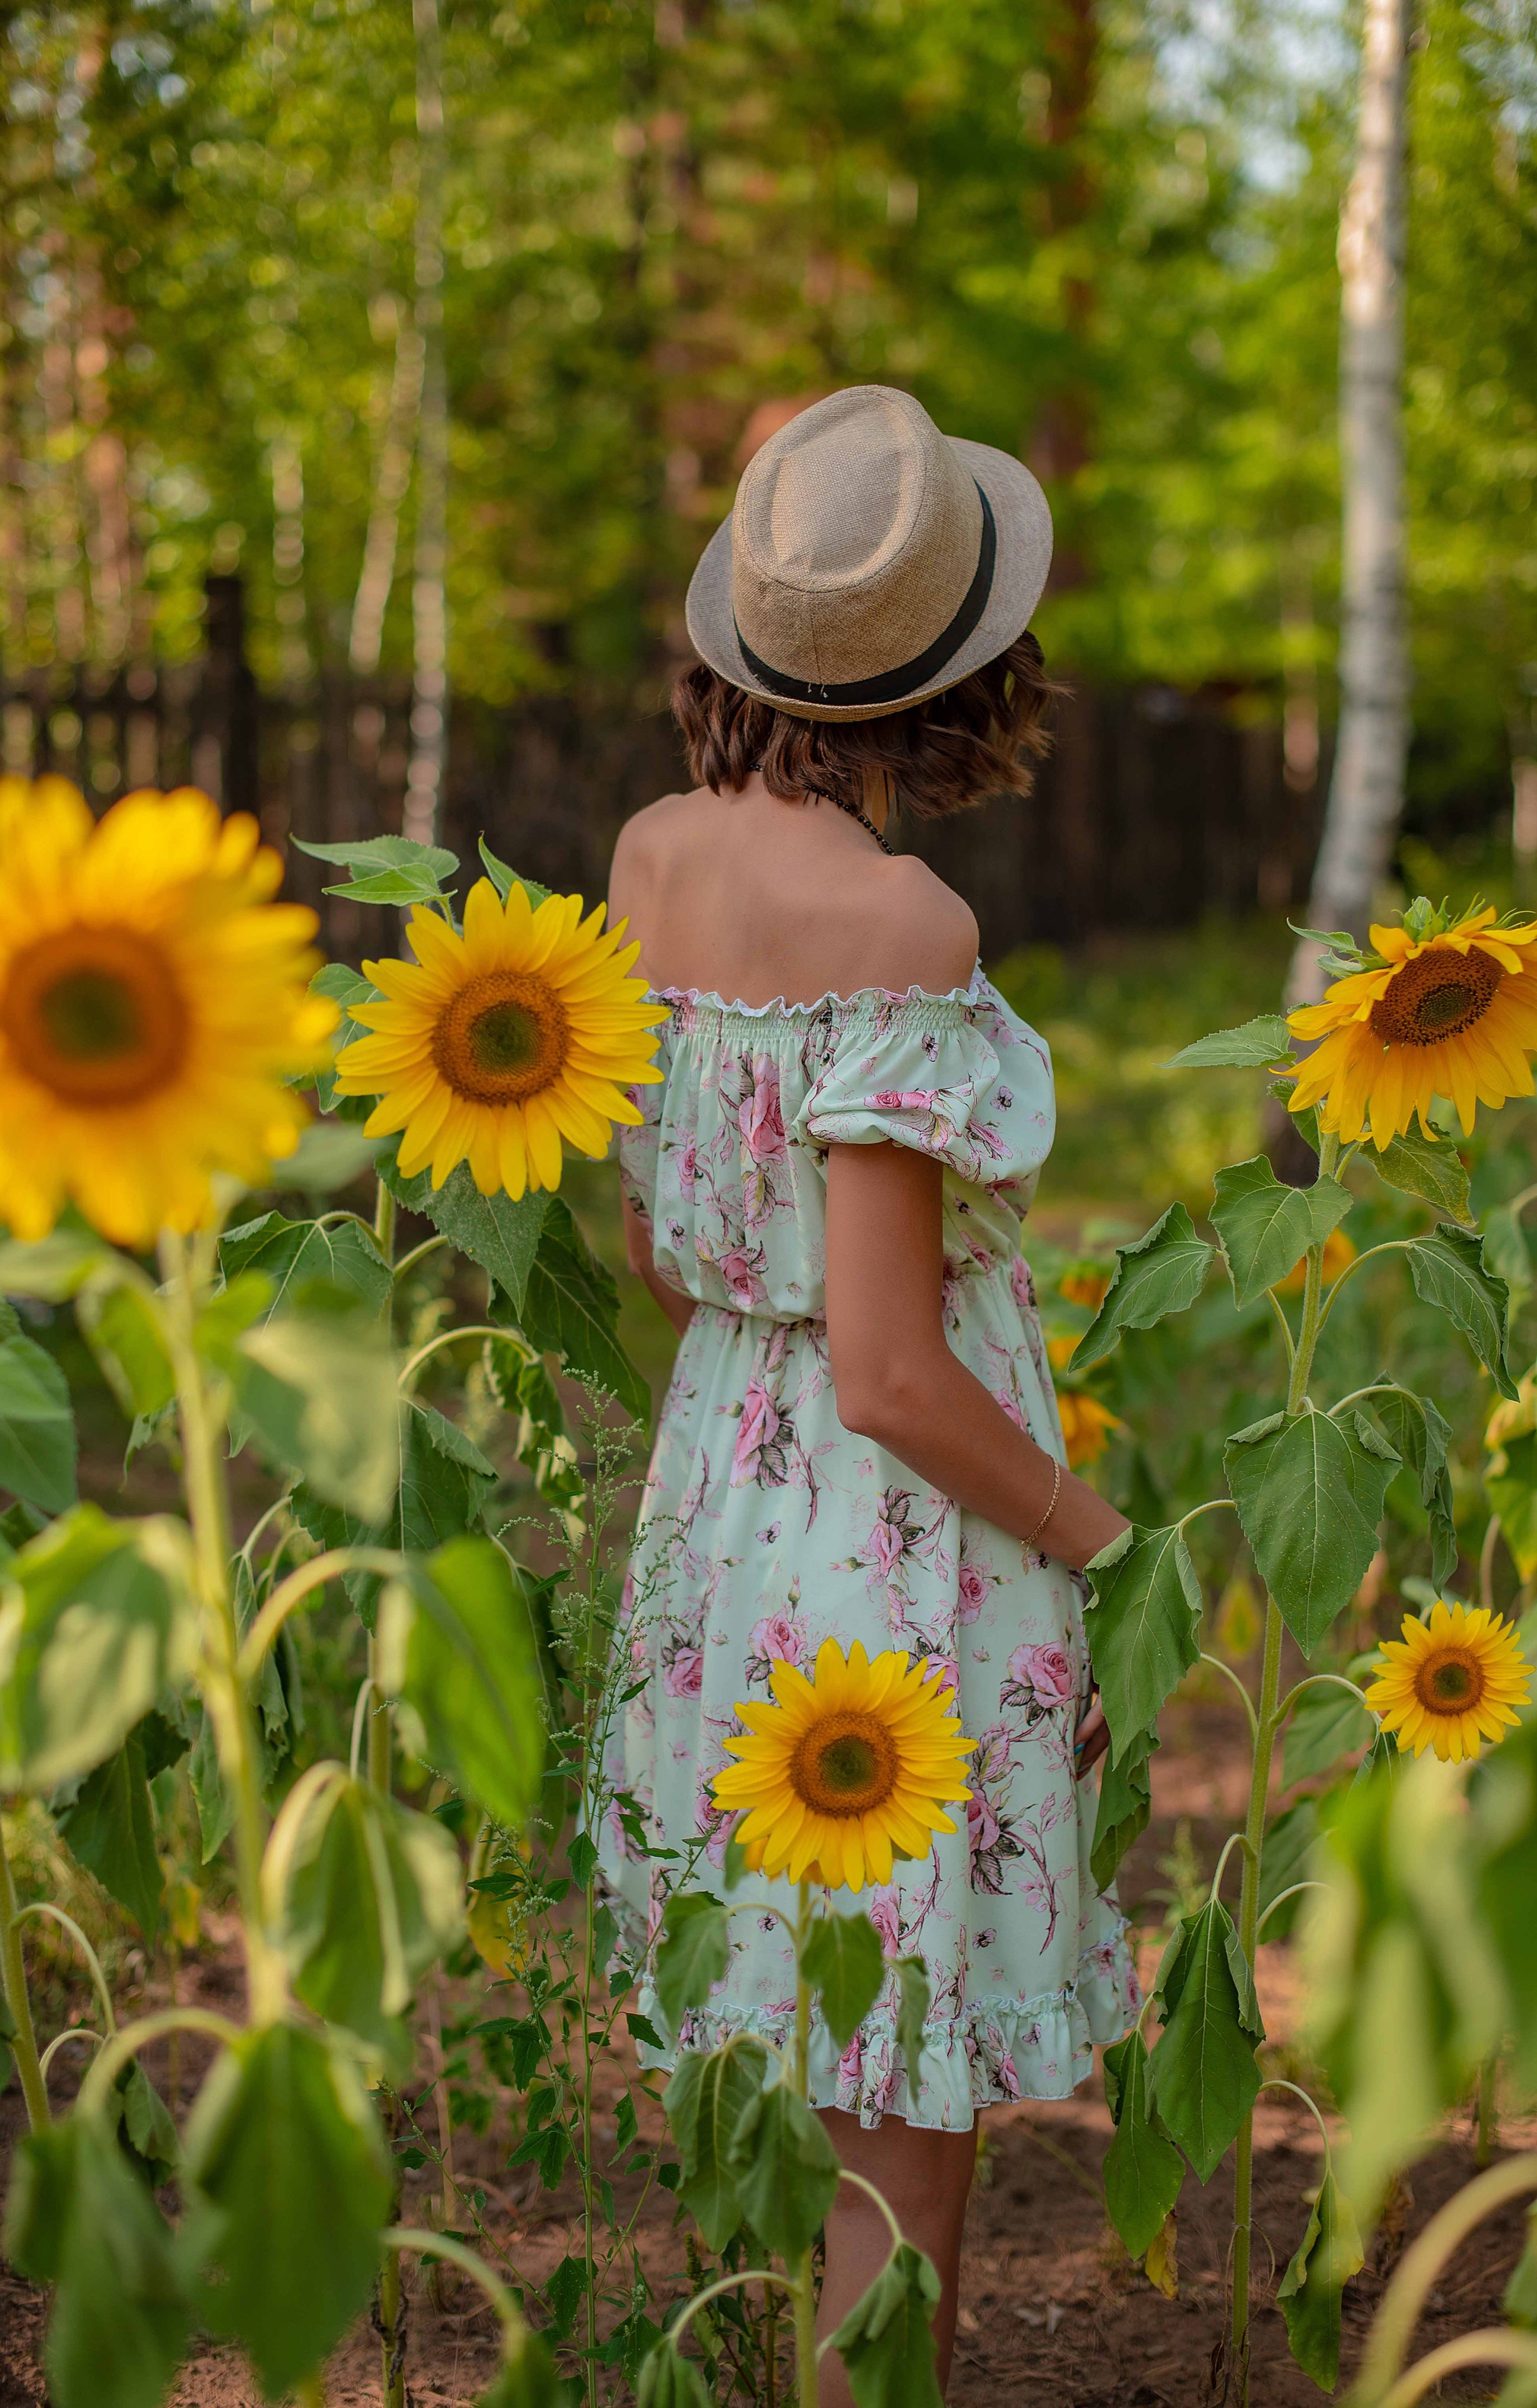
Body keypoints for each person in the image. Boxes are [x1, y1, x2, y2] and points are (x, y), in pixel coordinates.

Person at [597, 384, 1138, 2404]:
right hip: (893, 1540)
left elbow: (663, 1251)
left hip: (723, 1504)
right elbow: (895, 1367)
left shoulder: (649, 859)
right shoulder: (903, 923)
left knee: (788, 2024)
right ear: (959, 661)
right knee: (902, 2103)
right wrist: (1104, 1543)